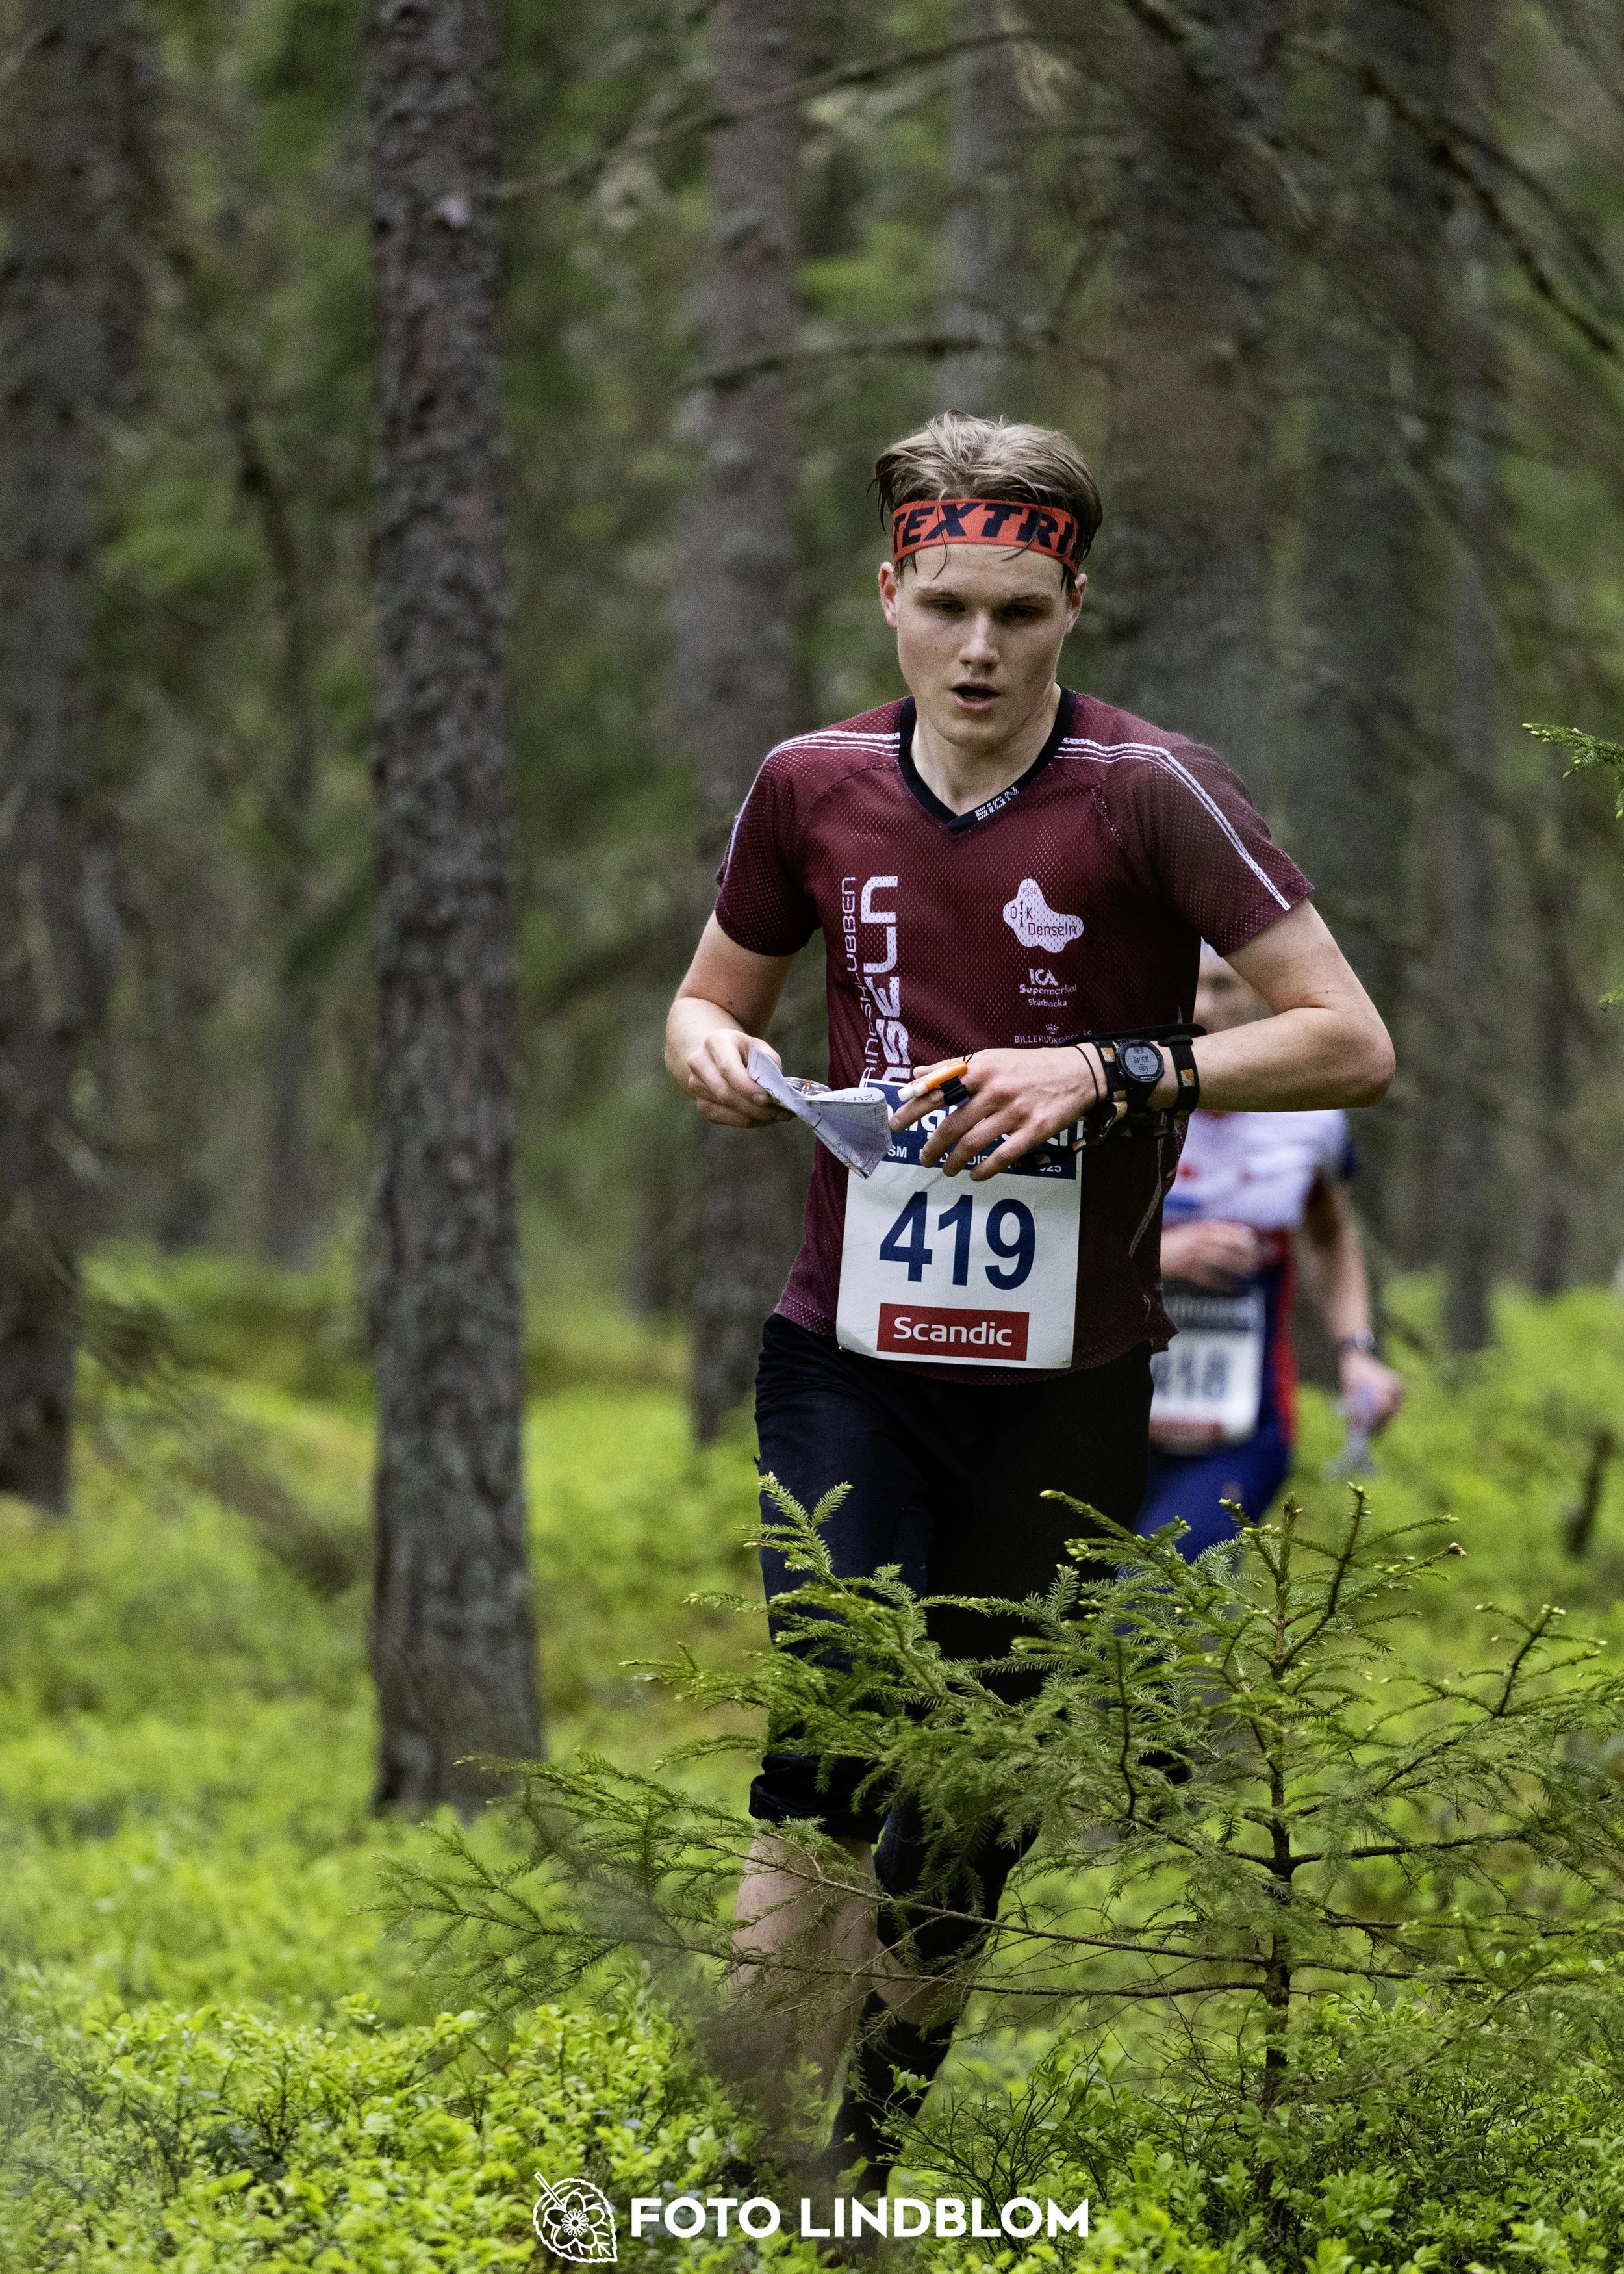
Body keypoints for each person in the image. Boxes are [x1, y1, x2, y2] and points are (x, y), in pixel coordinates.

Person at [663, 411, 1395, 2186]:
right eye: (946, 607)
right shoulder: (806, 783)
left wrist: (1108, 1069)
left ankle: (864, 2157)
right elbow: (705, 996)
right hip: (845, 1338)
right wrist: (710, 1048)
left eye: (1019, 611)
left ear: (1072, 601)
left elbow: (1349, 1040)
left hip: (1070, 1368)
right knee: (831, 1734)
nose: (978, 650)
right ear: (890, 593)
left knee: (969, 1789)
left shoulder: (1151, 788)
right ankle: (746, 2167)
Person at [1139, 949, 1406, 1559]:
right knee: (1078, 1622)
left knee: (1150, 1605)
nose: (1204, 1007)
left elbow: (1332, 1234)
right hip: (1104, 1420)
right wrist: (1163, 1256)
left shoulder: (1310, 1117)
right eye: (1188, 986)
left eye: (1224, 987)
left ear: (1263, 994)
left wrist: (1357, 1352)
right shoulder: (1115, 1105)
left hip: (1244, 1429)